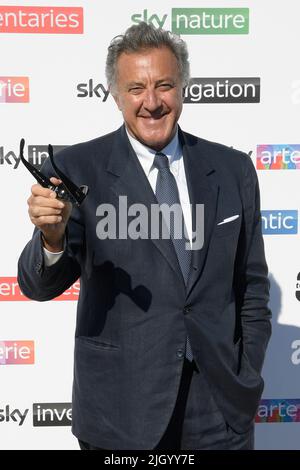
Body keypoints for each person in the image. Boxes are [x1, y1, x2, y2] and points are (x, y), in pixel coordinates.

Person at [17, 22, 271, 450]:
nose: (151, 102)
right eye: (136, 88)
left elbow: (252, 287)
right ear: (116, 95)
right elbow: (39, 286)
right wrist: (51, 240)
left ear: (184, 88)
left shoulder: (232, 169)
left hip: (219, 408)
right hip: (121, 411)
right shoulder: (77, 168)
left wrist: (245, 376)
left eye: (164, 85)